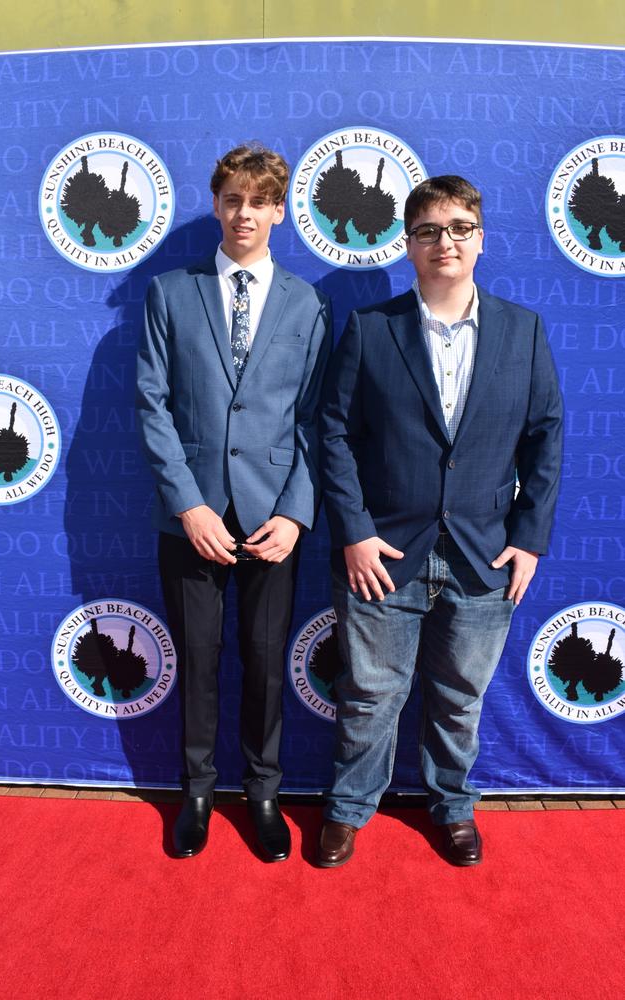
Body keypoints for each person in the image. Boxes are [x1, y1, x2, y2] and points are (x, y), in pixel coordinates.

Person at [317, 175, 563, 867]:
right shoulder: (371, 330)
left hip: (484, 554)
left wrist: (528, 539)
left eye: (458, 228)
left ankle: (452, 806)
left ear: (480, 240)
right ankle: (347, 810)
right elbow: (332, 434)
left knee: (460, 698)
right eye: (428, 230)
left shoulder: (524, 331)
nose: (443, 242)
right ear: (408, 244)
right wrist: (356, 532)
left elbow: (545, 436)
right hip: (384, 553)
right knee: (369, 697)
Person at [137, 143, 331, 861]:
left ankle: (263, 791)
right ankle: (195, 790)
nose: (244, 213)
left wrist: (294, 513)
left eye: (259, 201)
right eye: (232, 199)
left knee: (264, 658)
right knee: (198, 656)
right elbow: (152, 405)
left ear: (280, 210)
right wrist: (188, 506)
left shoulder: (308, 303)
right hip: (190, 516)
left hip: (274, 518)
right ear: (217, 204)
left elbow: (316, 417)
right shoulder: (169, 293)